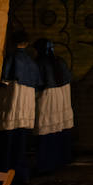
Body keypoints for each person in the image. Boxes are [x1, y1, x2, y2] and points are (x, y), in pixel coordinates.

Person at [0, 28, 40, 185]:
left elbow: (5, 79)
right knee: (21, 142)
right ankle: (20, 175)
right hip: (27, 104)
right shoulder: (31, 62)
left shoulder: (12, 58)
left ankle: (2, 175)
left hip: (12, 99)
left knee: (6, 141)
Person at [32, 38, 74, 175]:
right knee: (58, 129)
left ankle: (45, 163)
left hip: (47, 97)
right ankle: (60, 159)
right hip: (62, 97)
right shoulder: (59, 62)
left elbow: (38, 83)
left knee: (45, 129)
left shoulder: (40, 63)